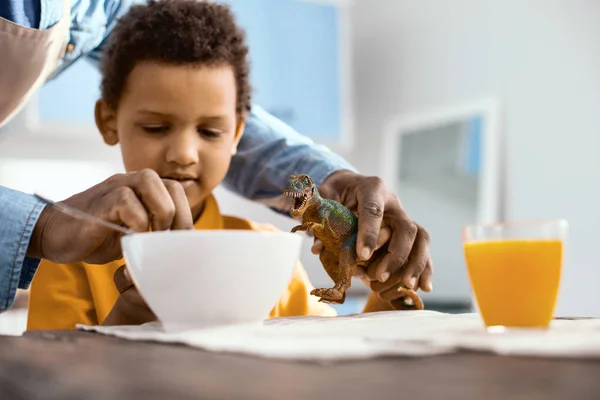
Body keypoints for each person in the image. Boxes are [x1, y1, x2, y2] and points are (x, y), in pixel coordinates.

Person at [0, 0, 432, 314]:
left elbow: (327, 358)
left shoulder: (269, 254)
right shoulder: (71, 260)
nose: (184, 153)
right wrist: (132, 318)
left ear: (236, 134)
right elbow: (55, 377)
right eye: (155, 127)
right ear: (109, 122)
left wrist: (385, 291)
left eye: (210, 130)